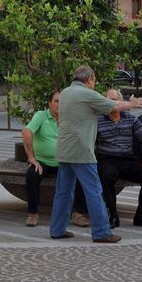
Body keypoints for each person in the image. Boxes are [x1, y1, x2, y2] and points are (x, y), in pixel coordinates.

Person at [49, 65, 142, 244]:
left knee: (63, 192)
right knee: (94, 191)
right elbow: (113, 106)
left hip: (64, 150)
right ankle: (101, 232)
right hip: (82, 151)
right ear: (89, 79)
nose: (94, 83)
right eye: (94, 80)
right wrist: (133, 104)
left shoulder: (66, 92)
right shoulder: (87, 94)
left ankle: (57, 229)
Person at [21, 90, 88, 227]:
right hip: (42, 162)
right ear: (49, 103)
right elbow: (27, 132)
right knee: (32, 174)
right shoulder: (41, 116)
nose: (60, 104)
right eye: (57, 101)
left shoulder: (69, 118)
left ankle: (78, 214)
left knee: (82, 174)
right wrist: (31, 158)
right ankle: (33, 214)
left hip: (63, 161)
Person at [95, 89, 142, 229]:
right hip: (107, 158)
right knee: (106, 176)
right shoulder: (98, 119)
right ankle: (113, 215)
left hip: (127, 159)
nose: (111, 103)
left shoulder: (130, 118)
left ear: (121, 102)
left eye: (114, 99)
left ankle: (140, 215)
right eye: (108, 99)